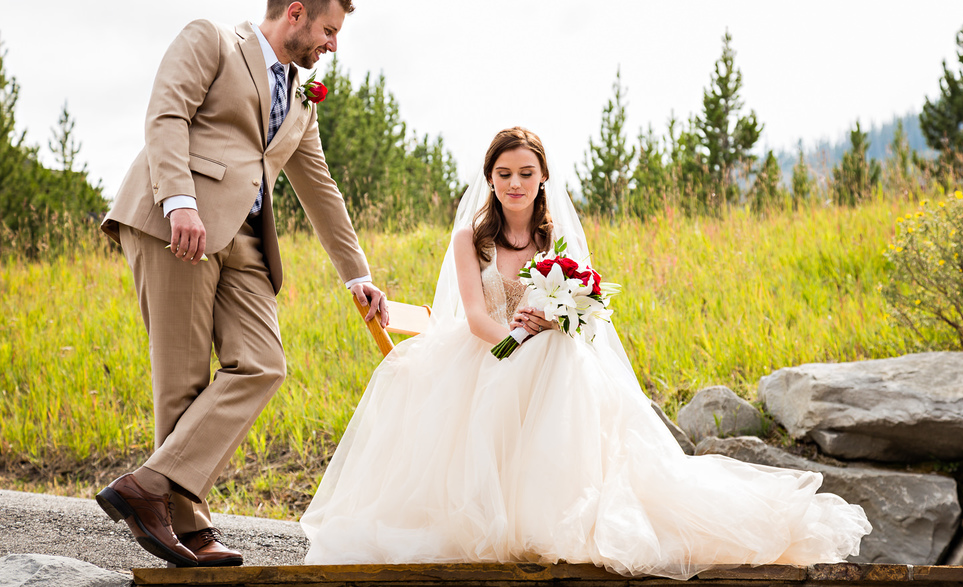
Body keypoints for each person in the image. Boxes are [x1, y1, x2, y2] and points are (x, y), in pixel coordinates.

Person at [300, 127, 871, 579]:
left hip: (550, 350)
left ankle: (562, 509)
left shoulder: (557, 238)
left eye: (526, 173)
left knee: (565, 359)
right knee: (531, 362)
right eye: (503, 174)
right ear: (490, 180)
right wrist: (512, 338)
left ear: (543, 176)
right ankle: (502, 515)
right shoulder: (469, 239)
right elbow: (474, 314)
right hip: (488, 348)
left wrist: (550, 319)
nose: (515, 183)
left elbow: (585, 306)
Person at [96, 0, 387, 568]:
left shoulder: (302, 98)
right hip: (177, 221)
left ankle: (149, 487)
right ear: (296, 14)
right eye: (330, 31)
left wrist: (357, 273)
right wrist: (179, 200)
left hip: (249, 241)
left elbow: (319, 184)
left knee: (263, 363)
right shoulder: (211, 40)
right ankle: (189, 527)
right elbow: (166, 114)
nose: (333, 46)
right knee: (182, 380)